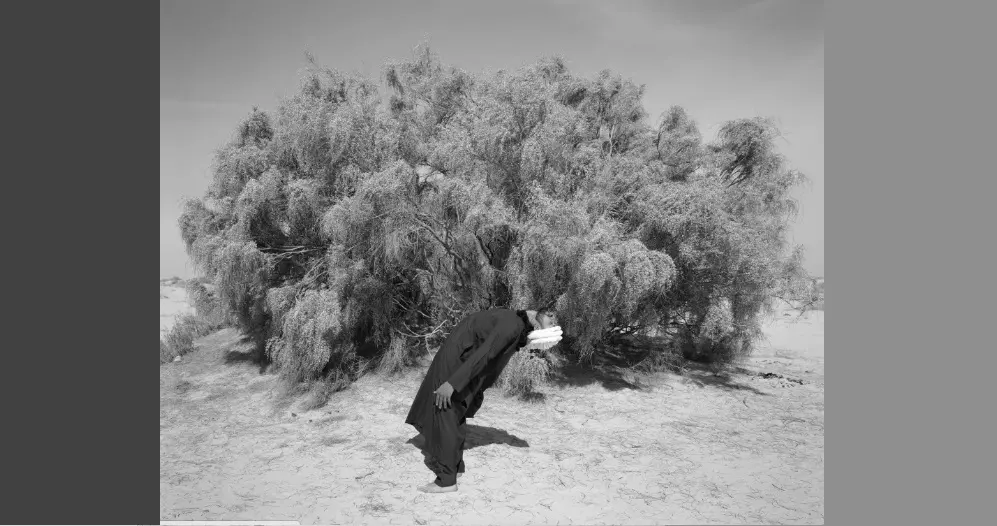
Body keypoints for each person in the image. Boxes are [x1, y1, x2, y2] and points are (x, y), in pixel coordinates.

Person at [405, 307, 562, 493]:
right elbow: (490, 350)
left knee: (445, 410)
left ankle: (447, 481)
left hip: (461, 356)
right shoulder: (513, 323)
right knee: (450, 409)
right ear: (544, 316)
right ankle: (455, 468)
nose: (552, 325)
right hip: (459, 353)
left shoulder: (514, 323)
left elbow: (486, 354)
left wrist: (452, 383)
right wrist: (454, 383)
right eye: (551, 322)